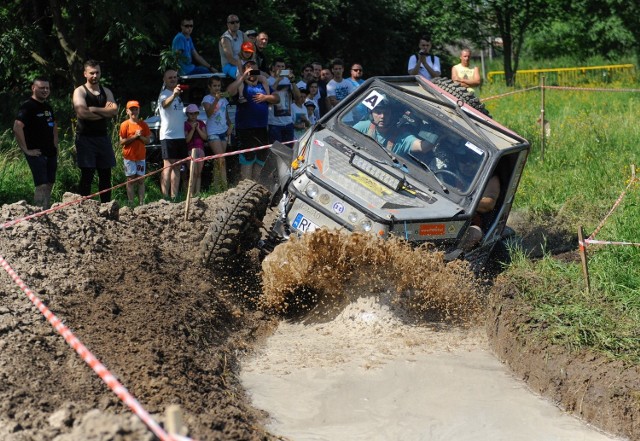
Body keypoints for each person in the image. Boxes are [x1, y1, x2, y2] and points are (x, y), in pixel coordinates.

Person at [72, 59, 118, 203]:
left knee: (106, 174)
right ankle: (83, 207)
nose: (95, 75)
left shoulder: (106, 91)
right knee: (88, 174)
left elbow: (114, 111)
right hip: (85, 138)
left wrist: (93, 109)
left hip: (103, 138)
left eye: (97, 72)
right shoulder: (80, 91)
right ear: (85, 73)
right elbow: (82, 113)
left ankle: (106, 207)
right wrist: (105, 112)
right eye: (92, 73)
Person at [227, 60, 280, 180]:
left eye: (254, 70)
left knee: (261, 159)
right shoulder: (242, 86)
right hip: (244, 129)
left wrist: (266, 97)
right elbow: (229, 91)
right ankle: (246, 186)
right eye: (249, 69)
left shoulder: (263, 85)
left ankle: (255, 185)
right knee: (247, 159)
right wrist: (242, 76)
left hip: (261, 128)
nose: (252, 73)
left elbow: (277, 98)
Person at [13, 76, 59, 209]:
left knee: (50, 183)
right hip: (36, 152)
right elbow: (17, 127)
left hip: (50, 151)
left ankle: (45, 210)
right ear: (33, 88)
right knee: (41, 184)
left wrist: (55, 146)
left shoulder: (48, 107)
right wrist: (26, 150)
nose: (45, 90)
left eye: (47, 88)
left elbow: (54, 127)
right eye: (41, 88)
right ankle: (39, 213)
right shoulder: (27, 106)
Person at [352, 99, 432, 158]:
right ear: (371, 114)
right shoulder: (363, 126)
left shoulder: (401, 137)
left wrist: (437, 131)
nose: (382, 116)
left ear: (392, 115)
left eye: (386, 113)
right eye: (378, 112)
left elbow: (423, 147)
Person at [158, 68, 188, 199]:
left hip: (180, 135)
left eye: (175, 77)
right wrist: (174, 95)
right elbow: (164, 104)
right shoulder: (164, 94)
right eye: (170, 77)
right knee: (168, 165)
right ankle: (165, 197)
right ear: (164, 80)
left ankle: (174, 196)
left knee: (177, 166)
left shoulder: (178, 96)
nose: (173, 79)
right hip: (168, 136)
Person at [202, 76, 233, 190]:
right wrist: (216, 99)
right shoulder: (207, 99)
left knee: (218, 161)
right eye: (214, 86)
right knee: (221, 159)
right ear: (209, 86)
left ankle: (215, 186)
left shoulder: (224, 99)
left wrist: (230, 125)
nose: (217, 88)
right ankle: (224, 186)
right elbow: (209, 113)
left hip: (223, 131)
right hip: (213, 132)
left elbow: (226, 115)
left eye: (219, 86)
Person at [119, 100, 150, 206]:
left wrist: (140, 136)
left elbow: (148, 141)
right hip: (129, 156)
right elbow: (122, 142)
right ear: (127, 111)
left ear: (139, 110)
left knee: (141, 180)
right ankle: (131, 203)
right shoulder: (124, 125)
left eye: (136, 109)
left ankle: (142, 203)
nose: (134, 112)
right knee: (130, 180)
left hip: (141, 156)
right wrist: (134, 136)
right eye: (132, 109)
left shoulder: (143, 124)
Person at [267, 58, 300, 144]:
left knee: (289, 151)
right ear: (273, 68)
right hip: (274, 123)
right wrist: (278, 80)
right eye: (278, 66)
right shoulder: (268, 81)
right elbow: (268, 97)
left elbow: (298, 97)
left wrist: (292, 81)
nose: (281, 69)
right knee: (276, 152)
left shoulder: (288, 81)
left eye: (283, 67)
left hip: (288, 121)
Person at [184, 103, 207, 196]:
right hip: (190, 150)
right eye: (191, 113)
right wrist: (192, 130)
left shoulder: (201, 123)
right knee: (192, 172)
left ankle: (198, 192)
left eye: (195, 113)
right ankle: (191, 193)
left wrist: (197, 128)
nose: (193, 116)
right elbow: (187, 139)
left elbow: (205, 137)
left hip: (200, 149)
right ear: (187, 114)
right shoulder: (185, 124)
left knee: (199, 172)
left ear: (197, 114)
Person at [219, 14, 247, 78]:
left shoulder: (241, 34)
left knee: (258, 73)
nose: (235, 24)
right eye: (232, 22)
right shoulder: (225, 38)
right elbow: (230, 59)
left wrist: (251, 61)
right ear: (228, 25)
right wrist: (244, 66)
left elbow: (252, 47)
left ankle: (272, 83)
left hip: (242, 64)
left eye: (237, 22)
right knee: (242, 75)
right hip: (228, 66)